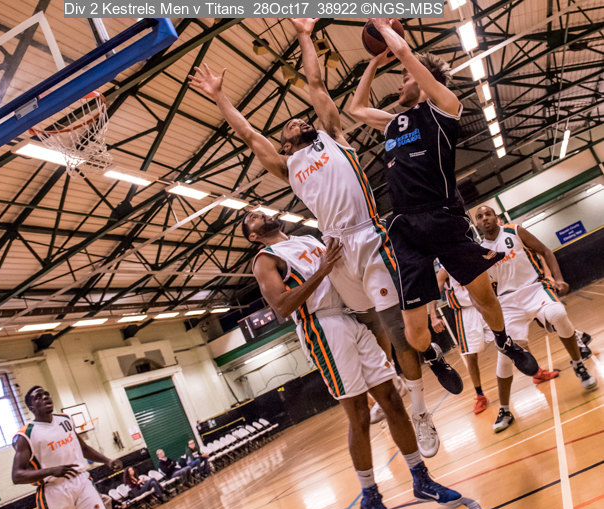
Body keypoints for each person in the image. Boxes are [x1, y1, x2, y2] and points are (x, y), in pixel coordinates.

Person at [189, 18, 464, 459]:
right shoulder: (286, 167)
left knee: (396, 328)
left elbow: (315, 83)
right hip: (336, 252)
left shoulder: (332, 137)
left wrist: (304, 35)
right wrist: (220, 97)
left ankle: (420, 408)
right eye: (288, 126)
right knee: (371, 327)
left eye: (300, 118)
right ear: (284, 145)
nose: (297, 120)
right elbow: (249, 135)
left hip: (368, 237)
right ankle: (413, 364)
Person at [347, 19, 540, 391]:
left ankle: (504, 341)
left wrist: (386, 31)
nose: (399, 84)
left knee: (483, 295)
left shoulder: (445, 109)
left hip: (444, 215)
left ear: (423, 81)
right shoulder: (392, 124)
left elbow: (406, 52)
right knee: (414, 331)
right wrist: (373, 61)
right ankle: (434, 356)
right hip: (405, 226)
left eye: (405, 77)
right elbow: (356, 108)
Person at [243, 209, 462, 509]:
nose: (258, 214)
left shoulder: (308, 239)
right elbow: (282, 306)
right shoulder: (265, 259)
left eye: (257, 211)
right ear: (253, 236)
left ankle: (421, 478)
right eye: (251, 218)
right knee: (358, 414)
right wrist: (322, 270)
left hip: (351, 317)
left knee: (391, 399)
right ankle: (371, 499)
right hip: (321, 327)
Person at [475, 206, 598, 429]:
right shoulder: (478, 251)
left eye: (488, 214)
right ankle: (505, 410)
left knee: (557, 313)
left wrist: (558, 279)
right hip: (507, 303)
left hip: (534, 288)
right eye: (480, 217)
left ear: (496, 217)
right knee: (505, 356)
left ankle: (578, 365)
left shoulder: (515, 231)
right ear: (477, 224)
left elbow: (546, 251)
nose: (485, 219)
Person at [432, 267, 559, 420]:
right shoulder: (445, 270)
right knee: (471, 355)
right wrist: (433, 317)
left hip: (485, 303)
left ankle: (537, 372)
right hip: (466, 313)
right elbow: (434, 291)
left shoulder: (471, 256)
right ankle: (480, 396)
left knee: (513, 338)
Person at [11, 386, 123, 509]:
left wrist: (108, 461)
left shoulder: (65, 419)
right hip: (54, 489)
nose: (45, 397)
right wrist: (51, 471)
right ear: (31, 407)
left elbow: (83, 448)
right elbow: (17, 476)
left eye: (46, 394)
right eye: (38, 397)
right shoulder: (26, 435)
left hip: (81, 481)